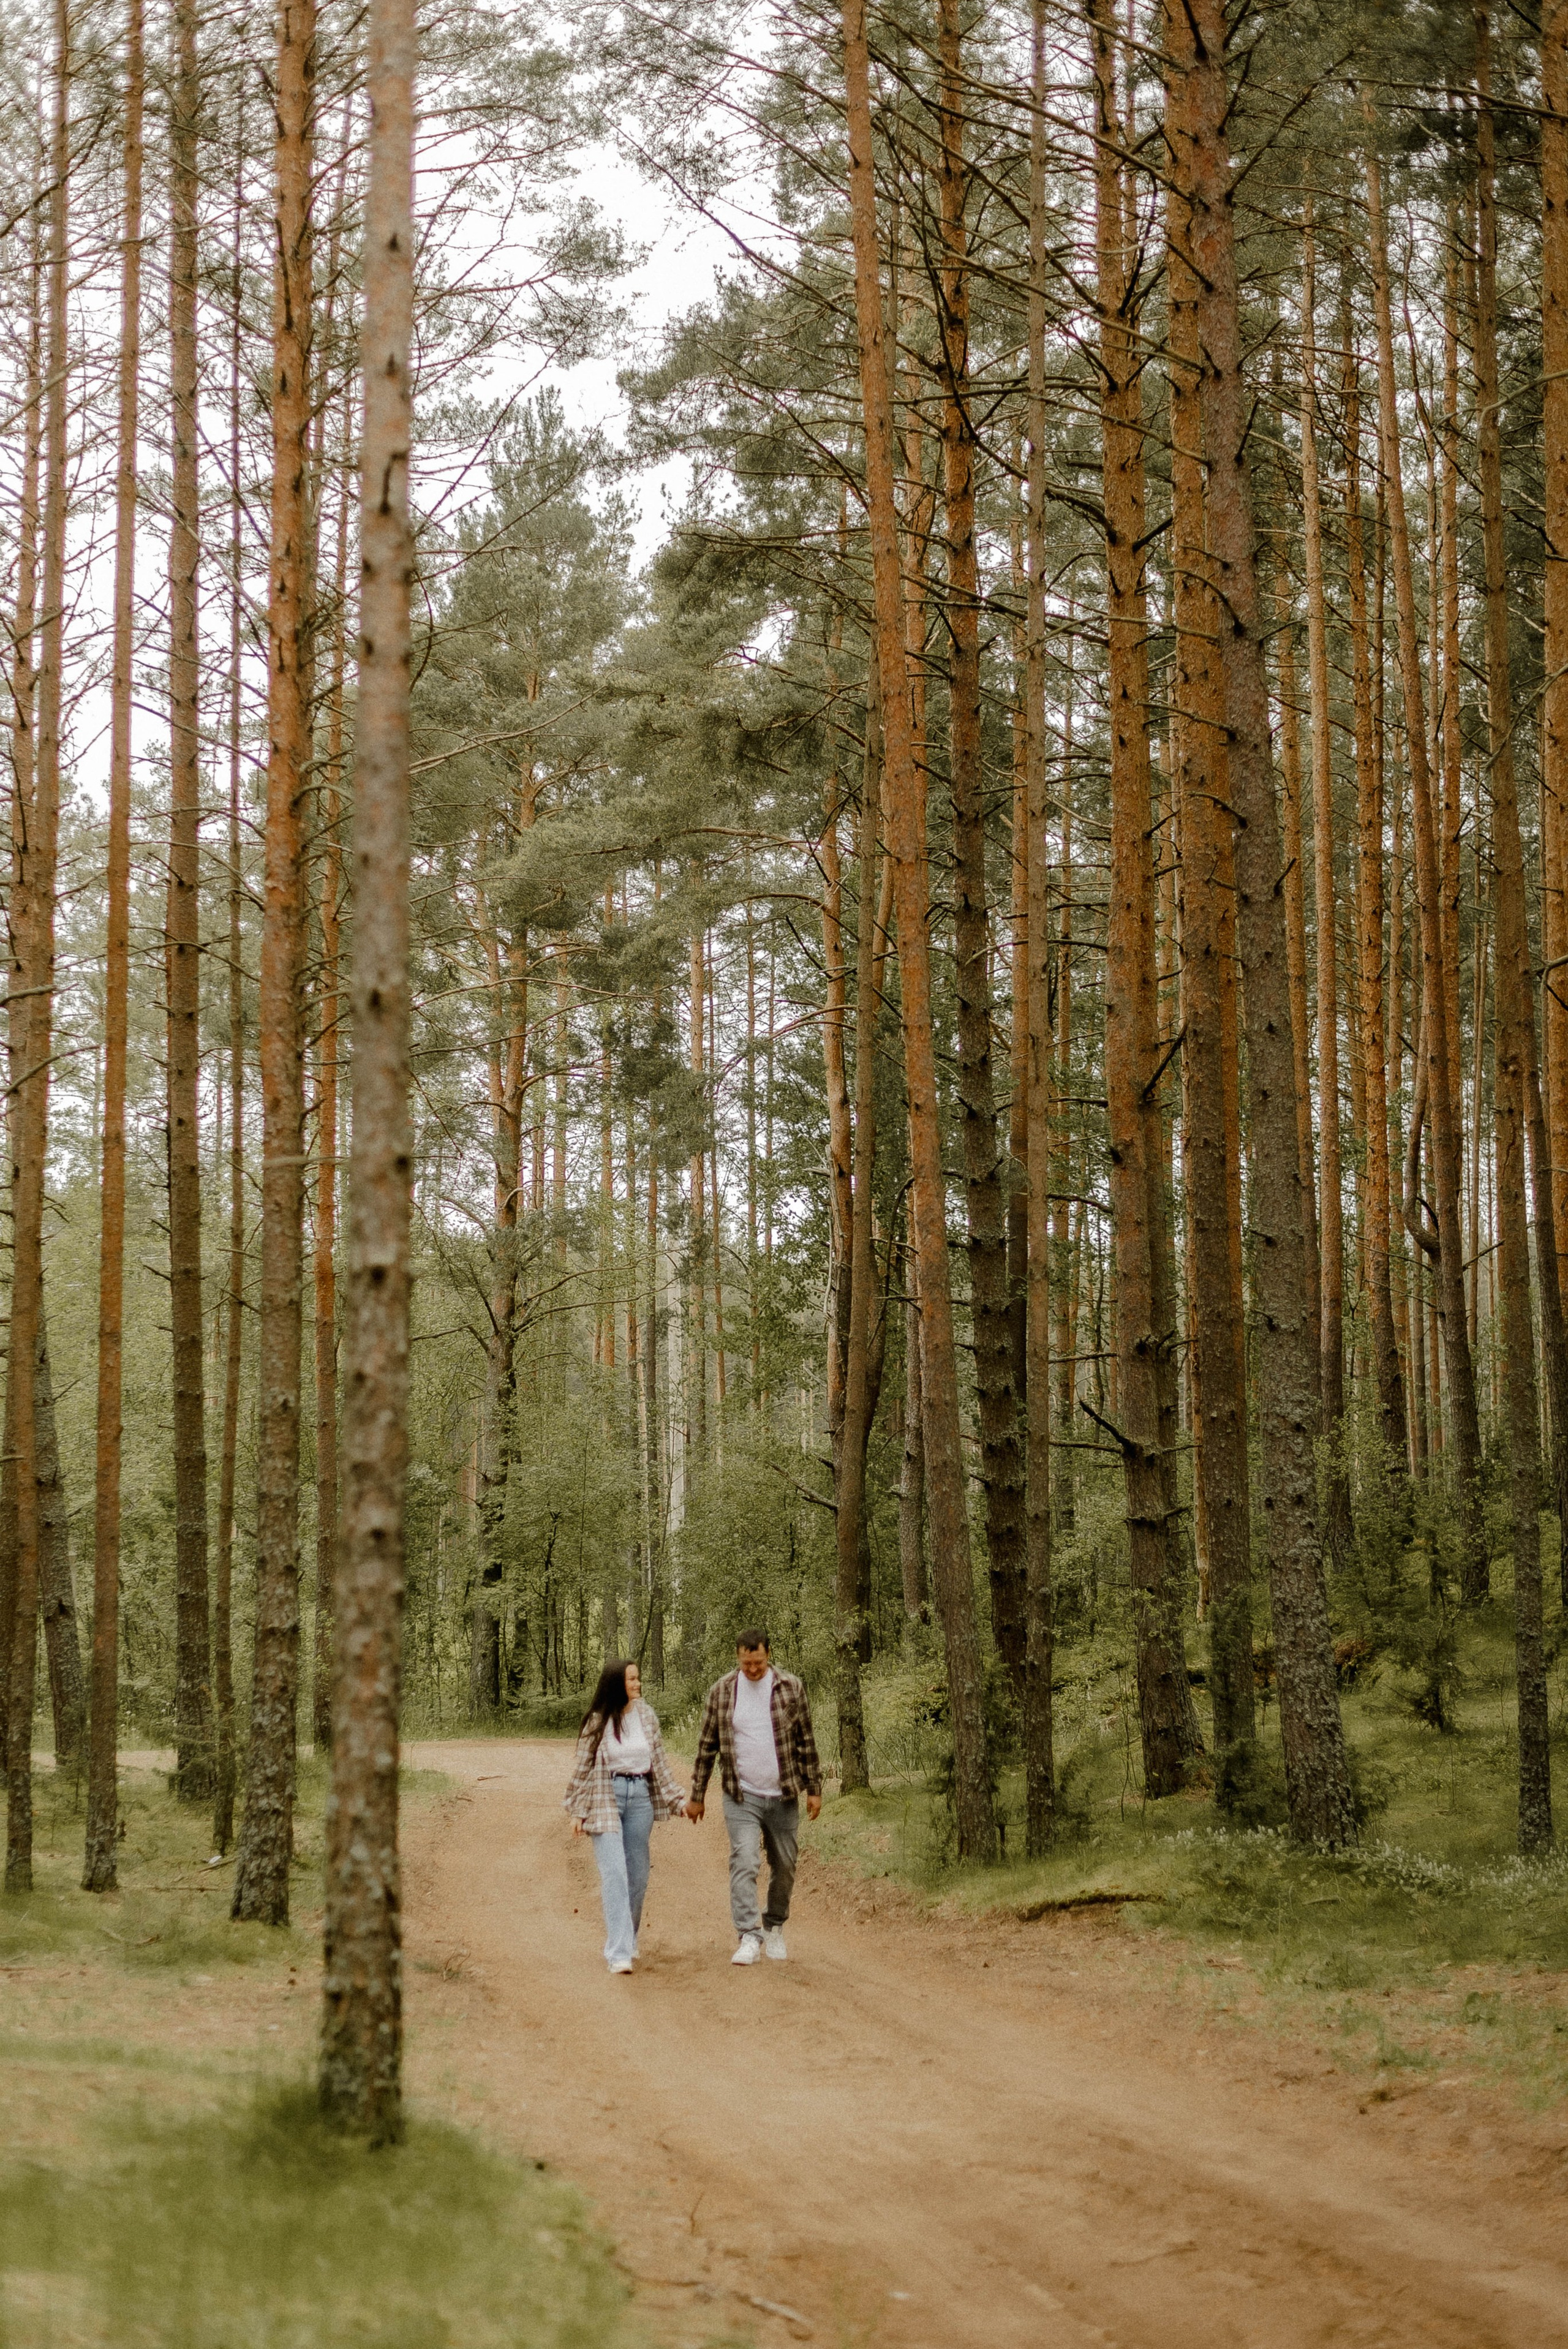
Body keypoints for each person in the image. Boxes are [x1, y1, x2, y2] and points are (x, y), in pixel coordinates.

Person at [687, 1628, 822, 1965]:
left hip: (784, 1794)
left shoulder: (791, 1687)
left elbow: (806, 1739)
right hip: (741, 1794)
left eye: (758, 1663)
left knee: (785, 1865)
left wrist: (814, 1789)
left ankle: (774, 1926)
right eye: (747, 1664)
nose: (753, 1670)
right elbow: (707, 1747)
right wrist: (697, 1795)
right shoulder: (722, 1692)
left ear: (768, 1654)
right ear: (738, 1658)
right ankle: (748, 1934)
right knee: (745, 1860)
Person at [564, 1659, 687, 1974]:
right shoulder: (598, 1720)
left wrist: (678, 1800)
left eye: (638, 1679)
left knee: (638, 1877)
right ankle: (618, 1952)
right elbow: (583, 1768)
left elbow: (659, 1762)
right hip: (606, 1796)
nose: (638, 1684)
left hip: (640, 1800)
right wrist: (578, 1811)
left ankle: (629, 1937)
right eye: (632, 1679)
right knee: (615, 1875)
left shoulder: (646, 1715)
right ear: (616, 1683)